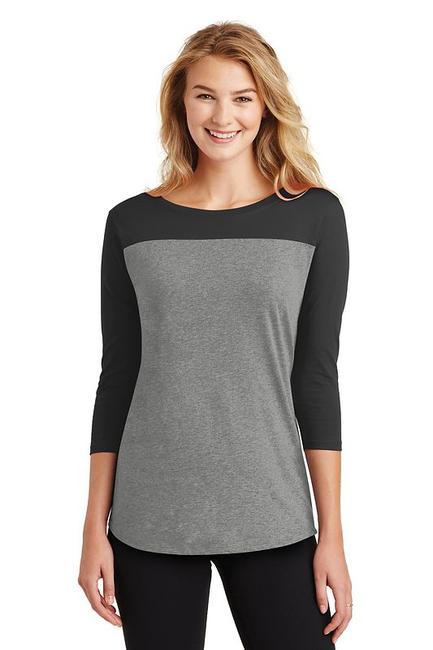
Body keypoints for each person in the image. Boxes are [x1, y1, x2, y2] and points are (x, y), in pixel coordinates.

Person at [78, 20, 353, 649]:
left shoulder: (314, 215)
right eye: (205, 95)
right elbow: (118, 378)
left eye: (242, 97)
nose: (222, 116)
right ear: (181, 103)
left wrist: (332, 535)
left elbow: (316, 378)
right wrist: (94, 526)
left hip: (273, 511)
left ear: (266, 106)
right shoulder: (131, 222)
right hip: (150, 515)